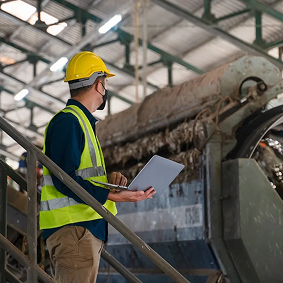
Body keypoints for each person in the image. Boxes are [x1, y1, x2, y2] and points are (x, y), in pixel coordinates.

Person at [39, 51, 155, 283]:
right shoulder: (68, 122)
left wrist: (110, 182)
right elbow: (65, 179)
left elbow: (77, 174)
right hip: (75, 230)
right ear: (98, 85)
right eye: (105, 83)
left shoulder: (80, 122)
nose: (105, 89)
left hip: (82, 229)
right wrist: (114, 196)